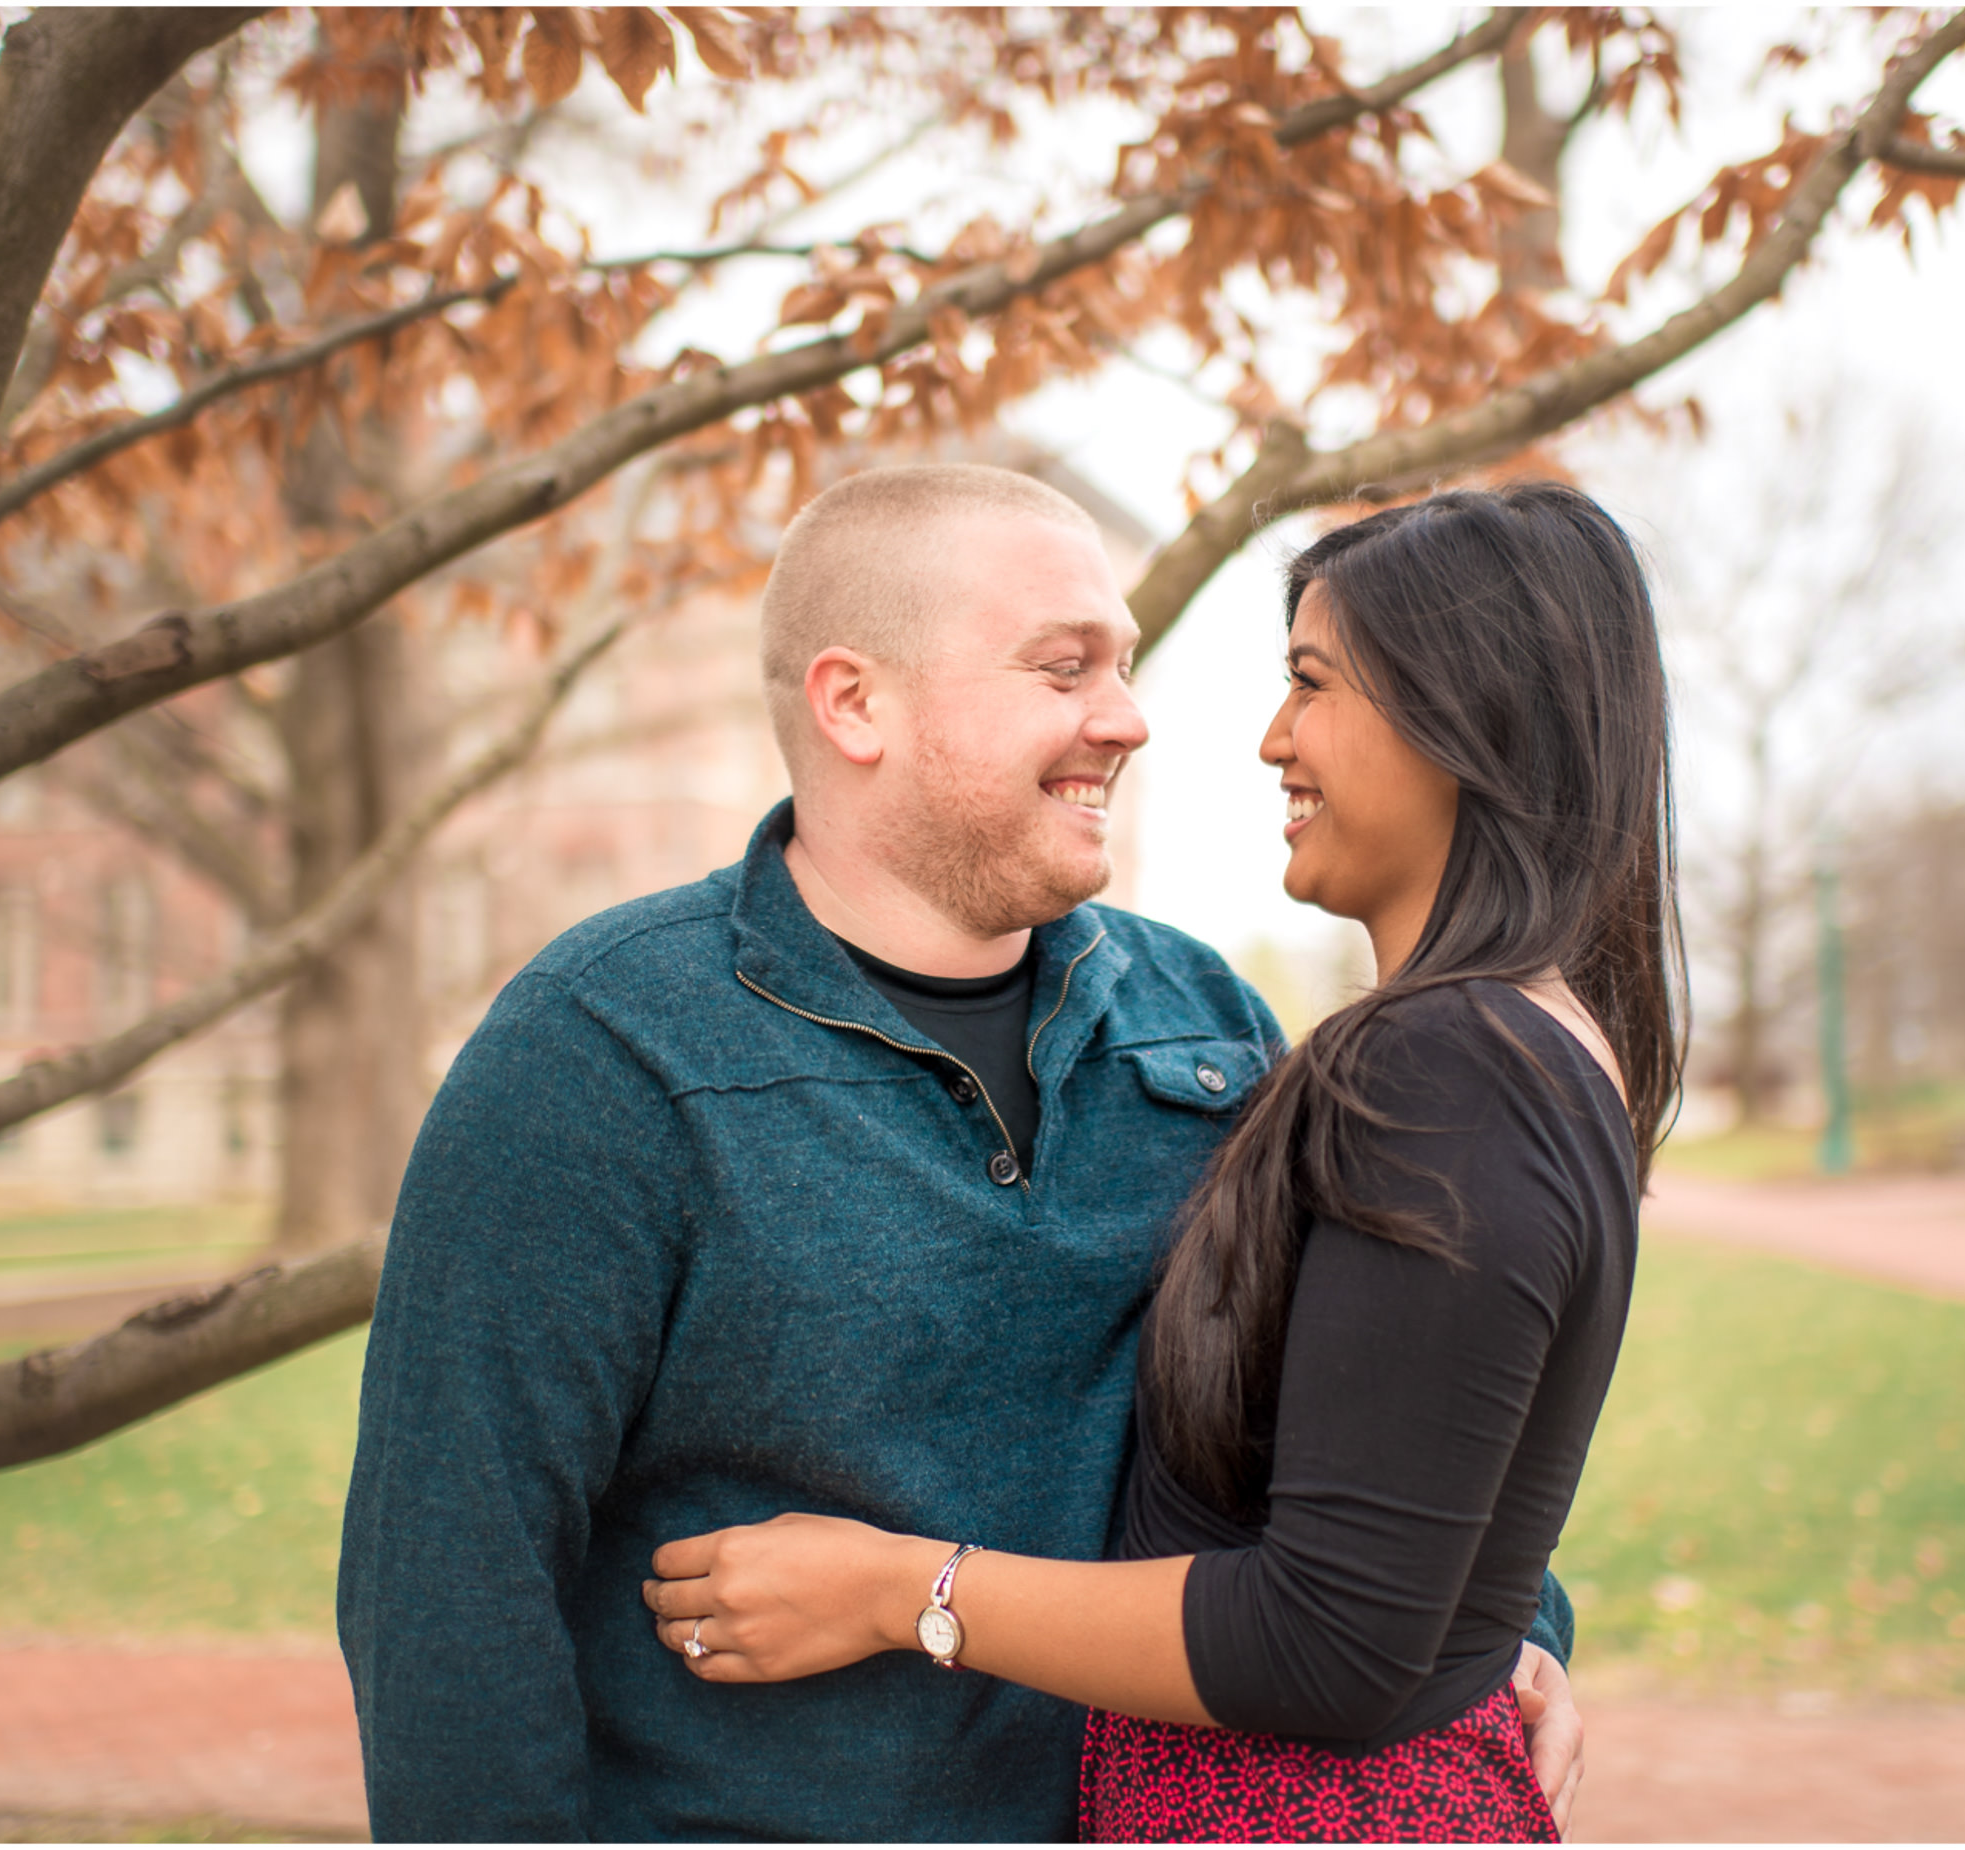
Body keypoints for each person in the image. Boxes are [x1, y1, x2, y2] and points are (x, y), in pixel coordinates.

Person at [337, 466, 1582, 1840]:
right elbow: (450, 1581)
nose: (1128, 717)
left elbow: (1389, 1398)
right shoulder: (603, 1048)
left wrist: (1510, 1627)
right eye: (1064, 669)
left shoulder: (1204, 1020)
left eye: (1121, 665)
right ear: (854, 701)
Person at [641, 481, 1675, 1841]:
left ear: (1459, 714)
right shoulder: (1526, 1039)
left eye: (1311, 682)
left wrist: (896, 1589)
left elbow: (1332, 1637)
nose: (1270, 739)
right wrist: (1495, 1636)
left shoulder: (1440, 1062)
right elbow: (1424, 1452)